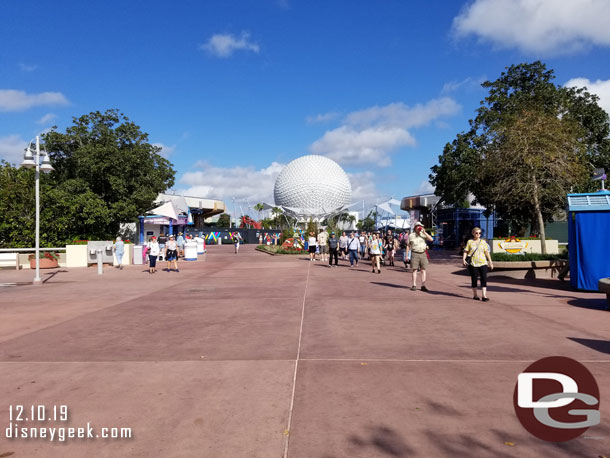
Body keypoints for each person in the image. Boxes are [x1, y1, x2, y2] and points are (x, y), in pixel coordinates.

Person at [462, 227, 494, 301]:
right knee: (474, 279)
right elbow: (466, 251)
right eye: (476, 233)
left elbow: (486, 252)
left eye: (479, 233)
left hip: (483, 262)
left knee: (484, 278)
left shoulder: (483, 242)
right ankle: (475, 295)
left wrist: (490, 262)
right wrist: (463, 259)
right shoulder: (470, 242)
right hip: (473, 263)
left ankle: (484, 296)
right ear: (473, 233)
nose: (478, 234)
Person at [408, 222, 433, 291]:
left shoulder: (423, 234)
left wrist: (425, 233)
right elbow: (408, 245)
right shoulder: (411, 235)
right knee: (414, 269)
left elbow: (431, 239)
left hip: (423, 253)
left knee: (423, 269)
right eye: (418, 226)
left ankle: (423, 285)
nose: (419, 227)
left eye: (421, 226)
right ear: (415, 227)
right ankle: (414, 285)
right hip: (415, 253)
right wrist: (407, 255)